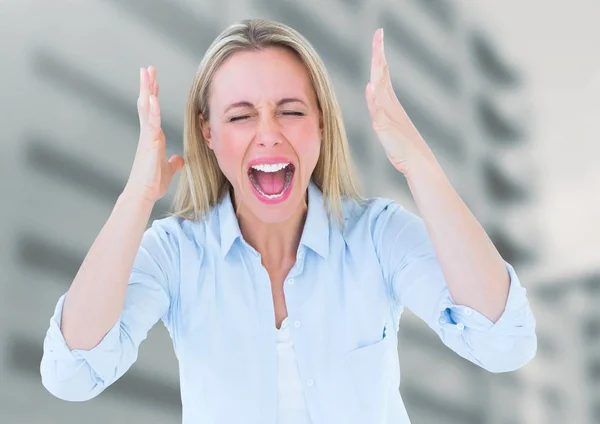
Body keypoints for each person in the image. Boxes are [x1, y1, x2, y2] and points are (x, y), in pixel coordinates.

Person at [40, 18, 537, 424]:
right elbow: (72, 374)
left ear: (322, 122)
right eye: (240, 117)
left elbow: (503, 343)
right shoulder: (176, 252)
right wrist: (137, 196)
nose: (268, 135)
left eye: (291, 111)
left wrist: (418, 163)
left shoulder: (377, 234)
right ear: (207, 133)